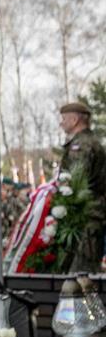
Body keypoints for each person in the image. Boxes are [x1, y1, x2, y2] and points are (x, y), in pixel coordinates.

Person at [59, 100, 106, 271]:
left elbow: (76, 183)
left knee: (82, 275)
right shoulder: (90, 141)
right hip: (88, 216)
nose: (61, 123)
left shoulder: (82, 146)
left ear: (74, 120)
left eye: (63, 119)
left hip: (84, 217)